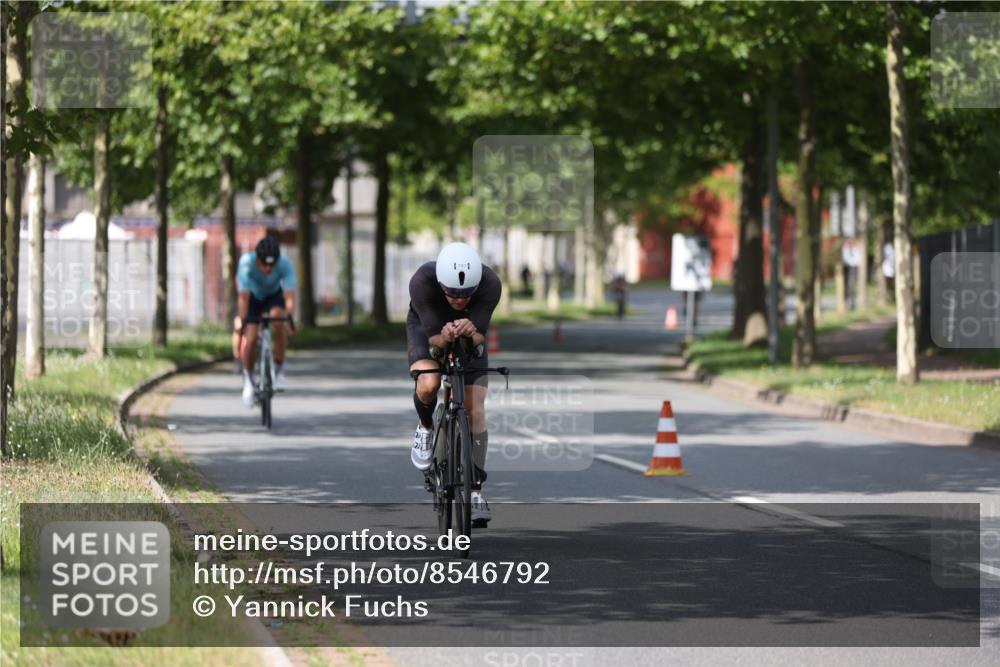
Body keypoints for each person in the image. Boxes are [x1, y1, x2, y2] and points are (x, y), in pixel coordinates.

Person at [407, 242, 501, 525]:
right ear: (440, 283)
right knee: (428, 382)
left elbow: (480, 338)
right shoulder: (422, 282)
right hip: (428, 327)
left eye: (465, 295)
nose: (459, 300)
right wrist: (444, 335)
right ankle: (425, 428)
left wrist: (471, 332)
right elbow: (435, 340)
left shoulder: (490, 284)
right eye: (452, 294)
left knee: (475, 406)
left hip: (469, 329)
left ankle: (474, 491)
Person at [236, 236, 297, 407]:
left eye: (272, 264)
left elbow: (290, 296)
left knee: (279, 321)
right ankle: (248, 380)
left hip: (273, 296)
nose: (269, 268)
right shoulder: (246, 263)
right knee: (252, 336)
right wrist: (243, 322)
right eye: (264, 264)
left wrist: (290, 319)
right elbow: (243, 297)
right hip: (253, 297)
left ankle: (280, 370)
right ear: (258, 259)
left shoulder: (285, 264)